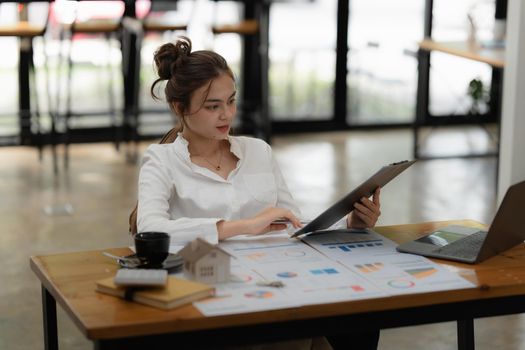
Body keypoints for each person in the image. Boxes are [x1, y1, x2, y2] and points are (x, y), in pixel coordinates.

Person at [136, 36, 381, 350]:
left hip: (280, 280)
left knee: (362, 319)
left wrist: (351, 224)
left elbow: (296, 225)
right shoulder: (161, 160)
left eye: (231, 101)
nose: (226, 114)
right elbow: (150, 230)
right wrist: (242, 226)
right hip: (216, 291)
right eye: (213, 106)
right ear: (179, 107)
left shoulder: (258, 151)